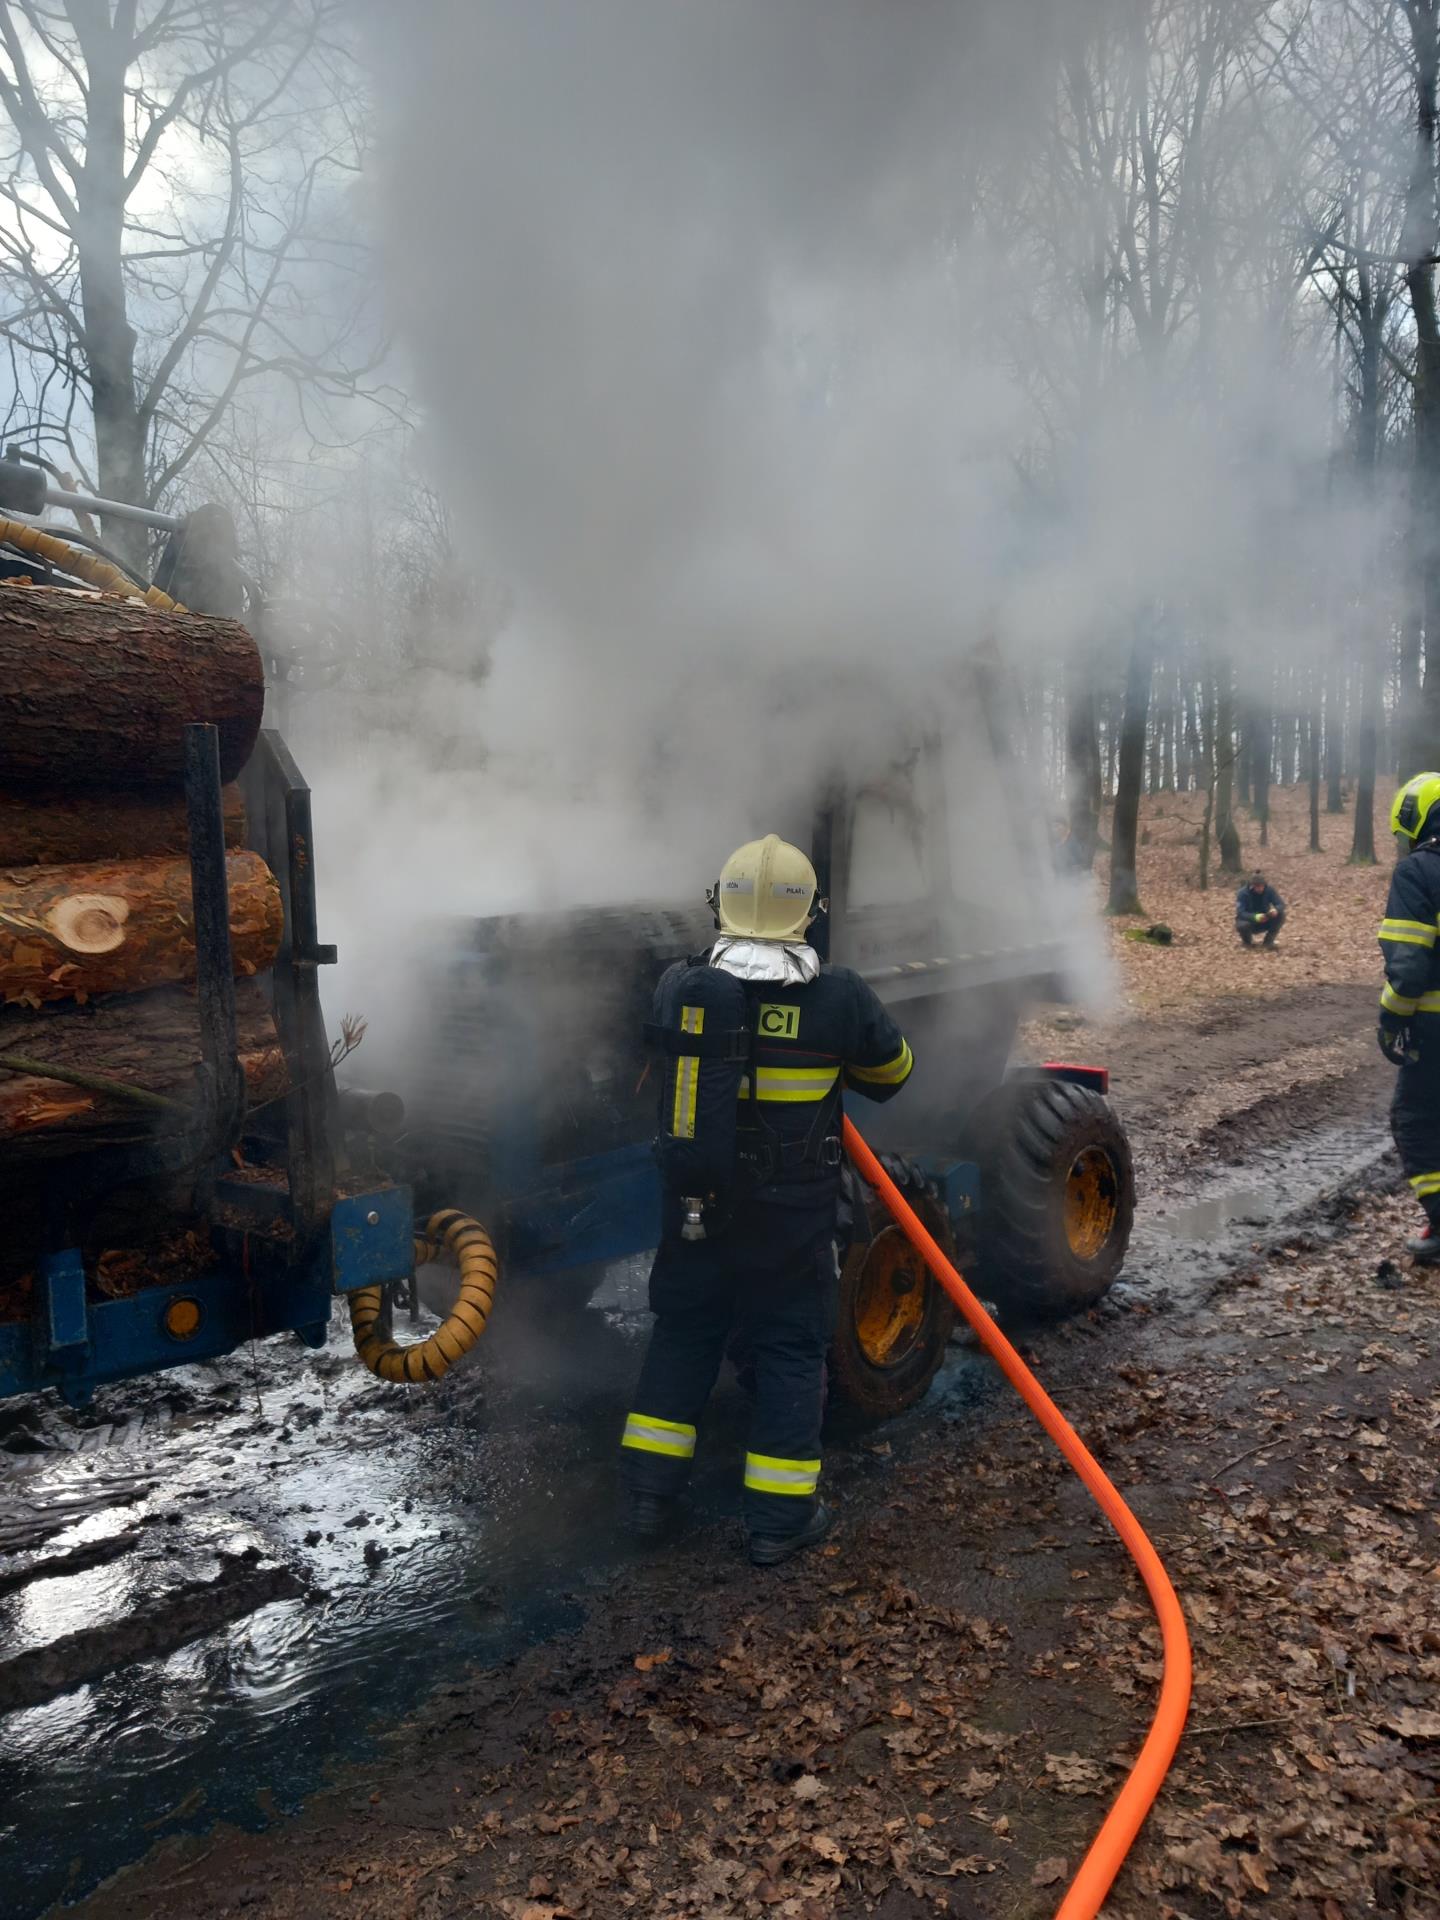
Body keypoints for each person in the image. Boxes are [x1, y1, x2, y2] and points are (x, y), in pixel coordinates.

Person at [620, 833, 915, 1566]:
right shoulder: (838, 995)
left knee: (685, 1332)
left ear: (719, 908)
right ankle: (780, 1524)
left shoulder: (678, 985)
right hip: (790, 1217)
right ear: (810, 913)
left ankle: (648, 1499)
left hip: (694, 1209)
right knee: (788, 1345)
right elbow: (892, 1075)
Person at [1378, 772, 1440, 1264]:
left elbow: (1411, 964)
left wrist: (1389, 1019)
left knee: (1416, 1120)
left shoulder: (1420, 871)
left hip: (1434, 1025)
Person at [1235, 870, 1286, 948]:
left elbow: (1280, 904)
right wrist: (1255, 917)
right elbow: (1241, 912)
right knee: (1242, 925)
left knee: (1281, 915)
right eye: (1257, 887)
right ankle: (1247, 942)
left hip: (1266, 918)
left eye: (1262, 886)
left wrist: (1276, 910)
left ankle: (1268, 942)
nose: (1260, 889)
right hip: (1249, 920)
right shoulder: (1242, 893)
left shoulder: (1269, 890)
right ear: (1252, 886)